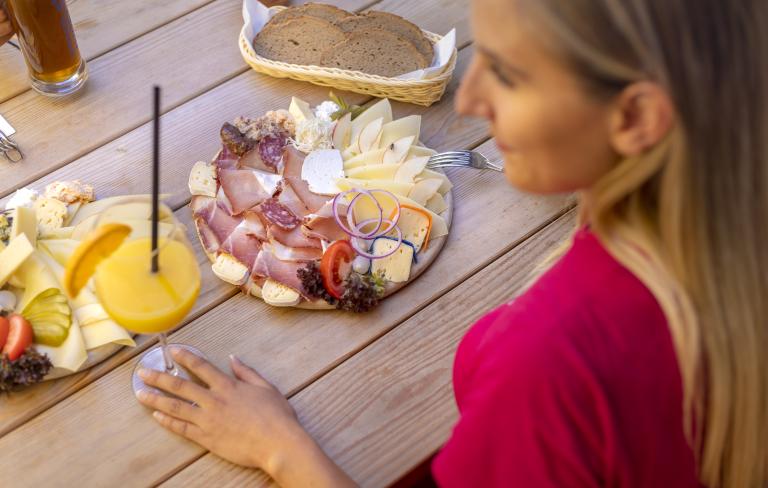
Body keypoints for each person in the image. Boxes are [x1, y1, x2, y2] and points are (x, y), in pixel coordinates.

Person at [136, 0, 768, 486]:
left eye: (510, 75)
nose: (470, 98)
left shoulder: (547, 362)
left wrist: (277, 447)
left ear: (634, 119)